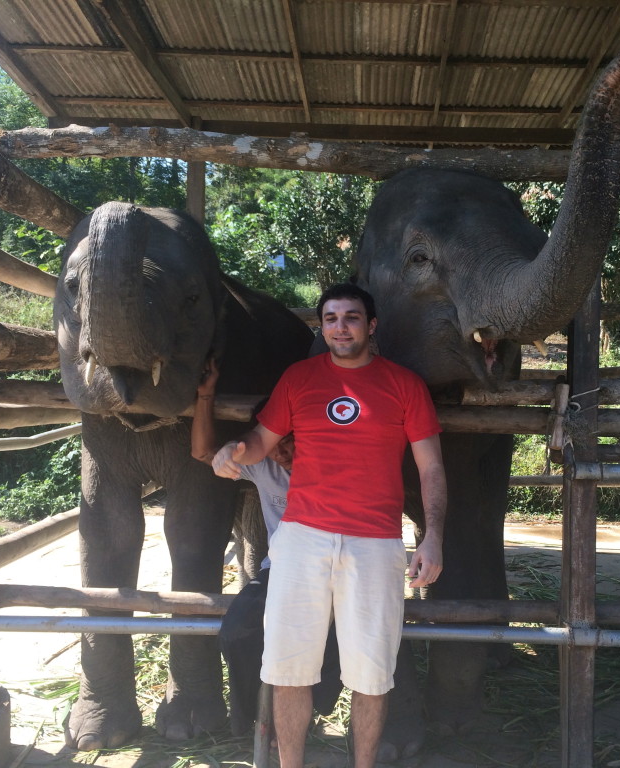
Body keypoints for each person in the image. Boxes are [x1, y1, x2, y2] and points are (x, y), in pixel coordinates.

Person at [212, 283, 446, 768]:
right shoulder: (299, 379)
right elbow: (261, 438)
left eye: (352, 317)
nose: (341, 327)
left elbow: (431, 468)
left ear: (371, 325)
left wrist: (433, 536)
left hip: (376, 542)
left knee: (371, 672)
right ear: (323, 326)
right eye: (332, 318)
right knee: (288, 667)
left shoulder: (405, 386)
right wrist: (232, 451)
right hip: (302, 539)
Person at [190, 359, 341, 736]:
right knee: (238, 631)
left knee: (336, 641)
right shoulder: (262, 466)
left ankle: (311, 710)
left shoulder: (336, 461)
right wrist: (206, 395)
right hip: (282, 571)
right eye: (276, 444)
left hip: (337, 570)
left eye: (291, 440)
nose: (283, 452)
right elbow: (202, 452)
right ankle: (254, 723)